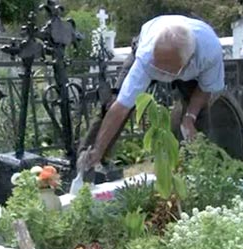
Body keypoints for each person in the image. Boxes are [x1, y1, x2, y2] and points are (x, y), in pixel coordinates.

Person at [77, 15, 225, 172]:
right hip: (149, 50)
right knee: (112, 103)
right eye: (158, 67)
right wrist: (98, 149)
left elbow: (205, 88)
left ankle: (197, 170)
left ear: (188, 61)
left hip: (190, 60)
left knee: (198, 115)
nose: (161, 75)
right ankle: (88, 163)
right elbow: (121, 106)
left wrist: (190, 118)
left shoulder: (209, 53)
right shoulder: (146, 57)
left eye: (167, 70)